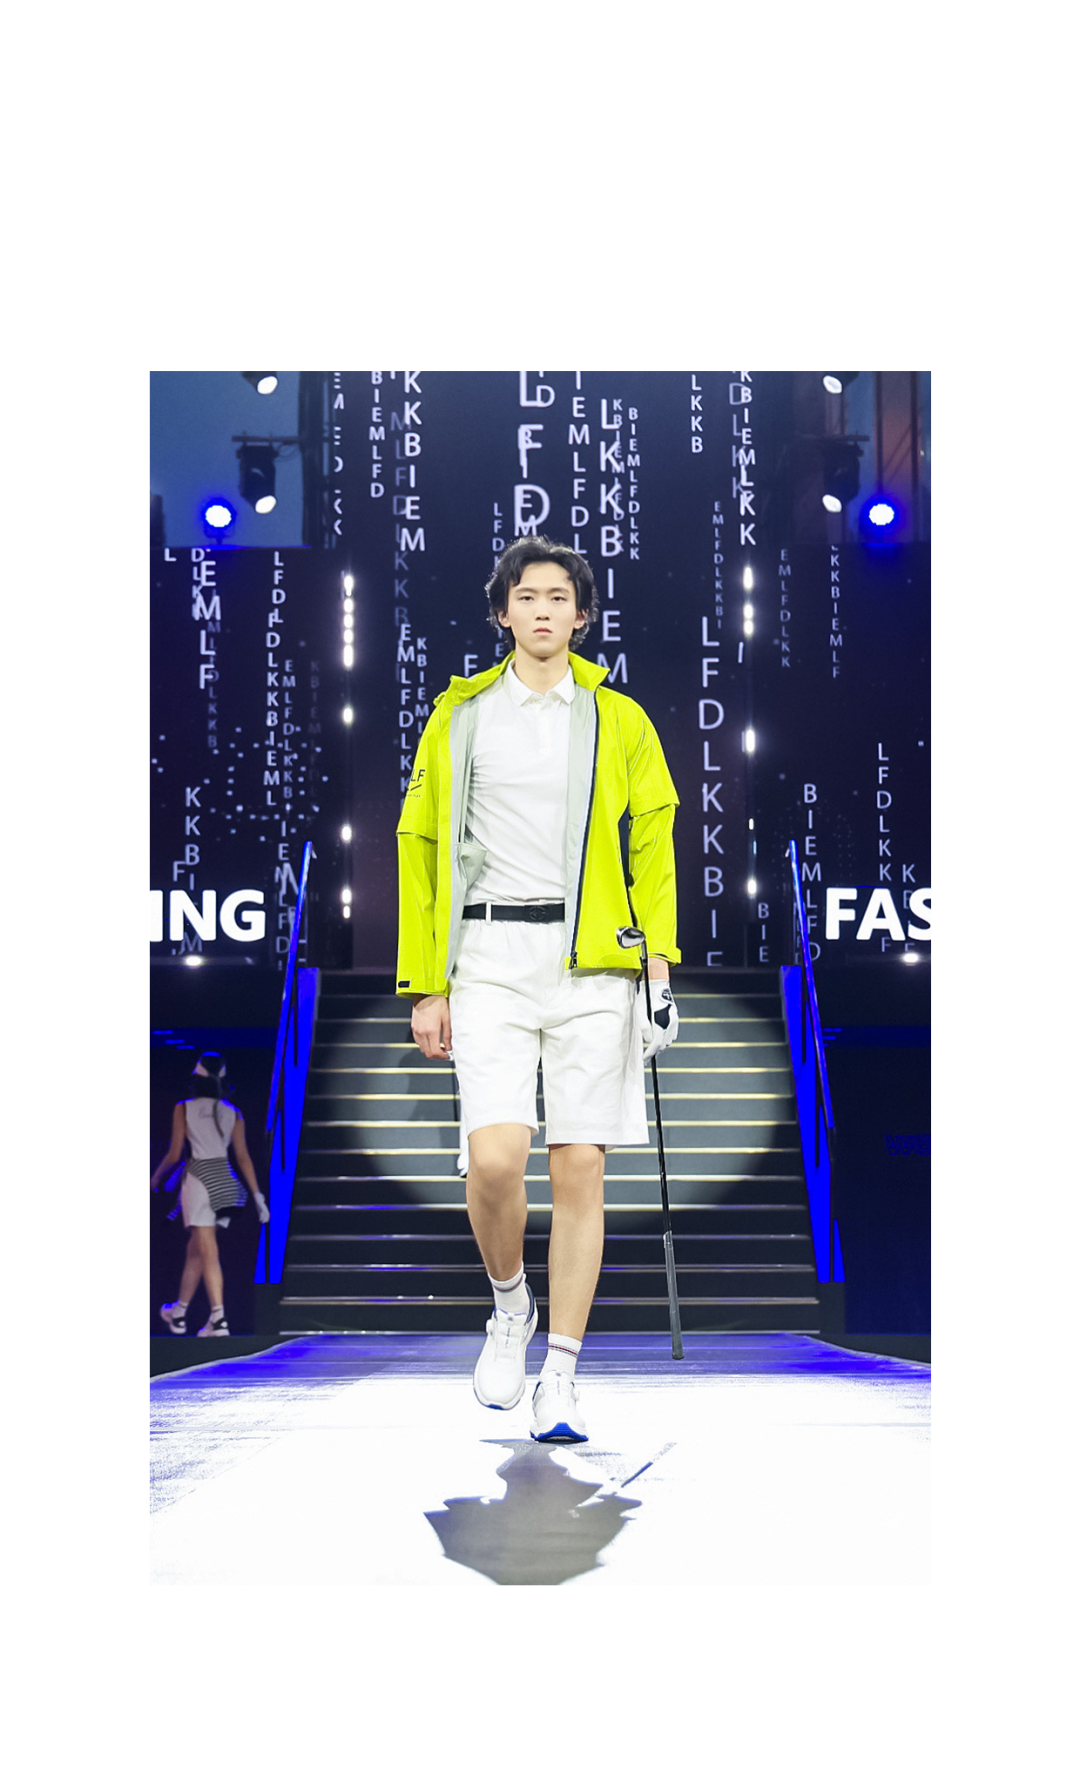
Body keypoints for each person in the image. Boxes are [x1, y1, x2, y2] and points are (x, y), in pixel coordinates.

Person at [397, 536, 680, 1442]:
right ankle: (510, 1302)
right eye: (528, 595)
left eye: (560, 596)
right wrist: (425, 981)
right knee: (493, 1160)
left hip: (593, 960)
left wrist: (658, 964)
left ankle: (560, 1373)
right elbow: (420, 845)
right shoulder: (461, 716)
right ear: (503, 612)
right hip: (486, 957)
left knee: (580, 1165)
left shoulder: (618, 717)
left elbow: (654, 838)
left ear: (581, 615)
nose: (544, 609)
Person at [151, 1053, 269, 1336]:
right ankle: (179, 1312)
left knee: (207, 1249)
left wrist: (156, 1176)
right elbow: (243, 1157)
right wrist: (257, 1196)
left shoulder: (184, 1108)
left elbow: (174, 1153)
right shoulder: (233, 1112)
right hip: (225, 1182)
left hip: (199, 1179)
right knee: (197, 1249)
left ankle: (219, 1318)